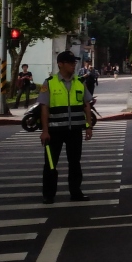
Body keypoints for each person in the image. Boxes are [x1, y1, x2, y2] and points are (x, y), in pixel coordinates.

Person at [39, 51, 94, 204]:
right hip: (54, 131)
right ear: (60, 64)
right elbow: (44, 108)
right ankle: (49, 195)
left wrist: (89, 126)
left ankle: (76, 192)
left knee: (75, 163)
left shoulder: (79, 82)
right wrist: (45, 131)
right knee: (51, 164)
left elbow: (86, 105)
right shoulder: (49, 83)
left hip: (74, 131)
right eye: (70, 62)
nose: (73, 65)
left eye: (74, 62)